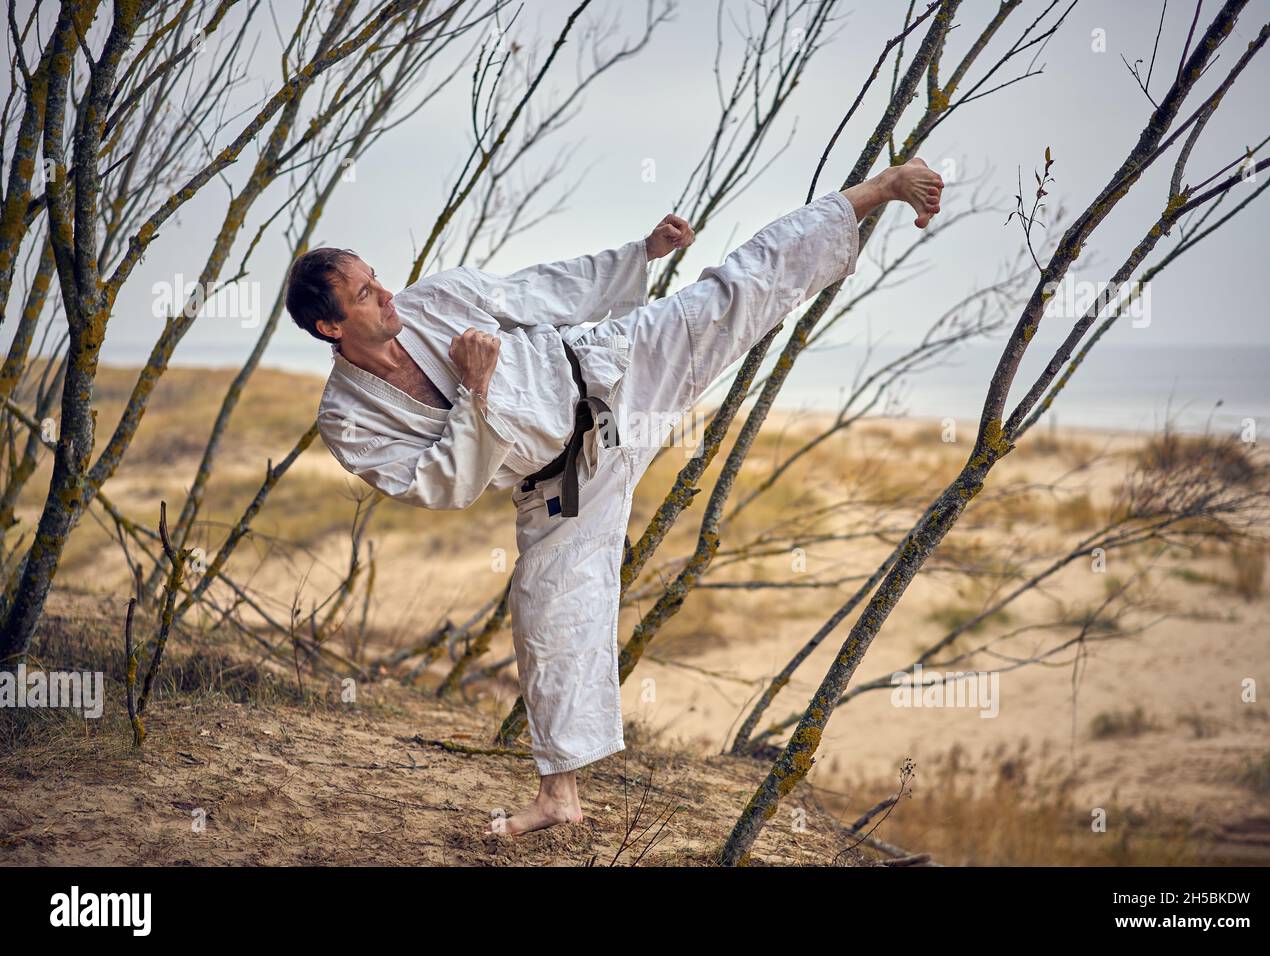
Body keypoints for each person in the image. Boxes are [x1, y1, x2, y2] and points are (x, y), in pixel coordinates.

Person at [285, 157, 944, 836]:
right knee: (548, 610)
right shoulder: (348, 419)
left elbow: (541, 289)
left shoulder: (434, 301)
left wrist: (640, 255)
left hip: (608, 373)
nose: (387, 296)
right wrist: (476, 393)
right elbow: (440, 484)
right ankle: (560, 798)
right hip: (562, 486)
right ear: (330, 327)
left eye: (376, 280)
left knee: (733, 292)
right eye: (365, 295)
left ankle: (880, 189)